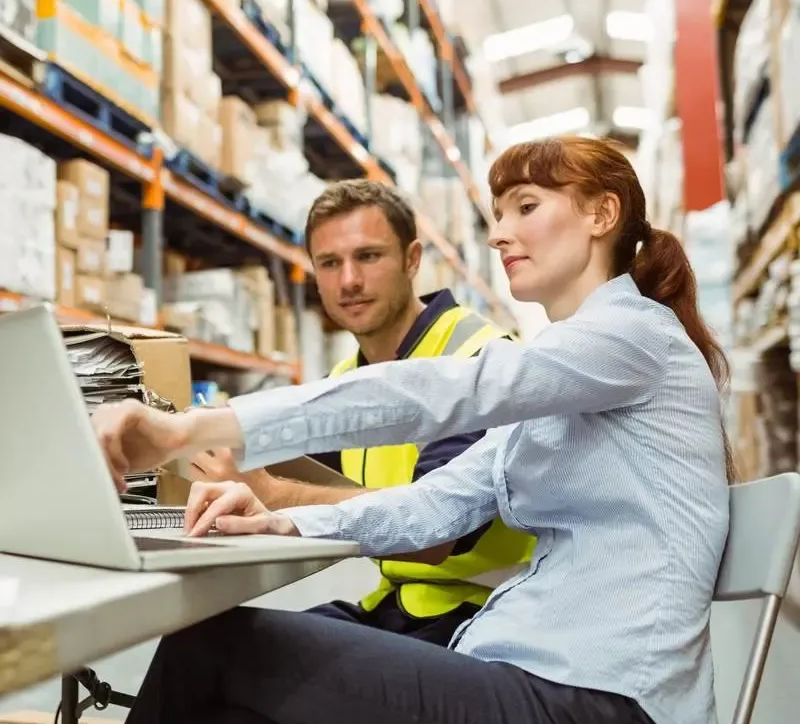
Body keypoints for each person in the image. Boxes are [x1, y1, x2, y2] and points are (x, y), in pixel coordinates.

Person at [94, 137, 733, 724]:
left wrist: (186, 430)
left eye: (526, 207)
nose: (499, 234)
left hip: (603, 698)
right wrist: (279, 522)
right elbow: (435, 505)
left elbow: (437, 390)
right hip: (528, 669)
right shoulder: (563, 375)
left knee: (210, 646)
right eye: (498, 215)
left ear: (602, 214)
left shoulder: (632, 335)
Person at [186, 179, 533, 645]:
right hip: (399, 605)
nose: (348, 280)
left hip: (483, 616)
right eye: (330, 263)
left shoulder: (478, 359)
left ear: (412, 259)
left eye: (368, 256)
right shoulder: (347, 377)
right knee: (208, 640)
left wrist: (270, 493)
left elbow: (433, 537)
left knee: (218, 653)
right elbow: (293, 469)